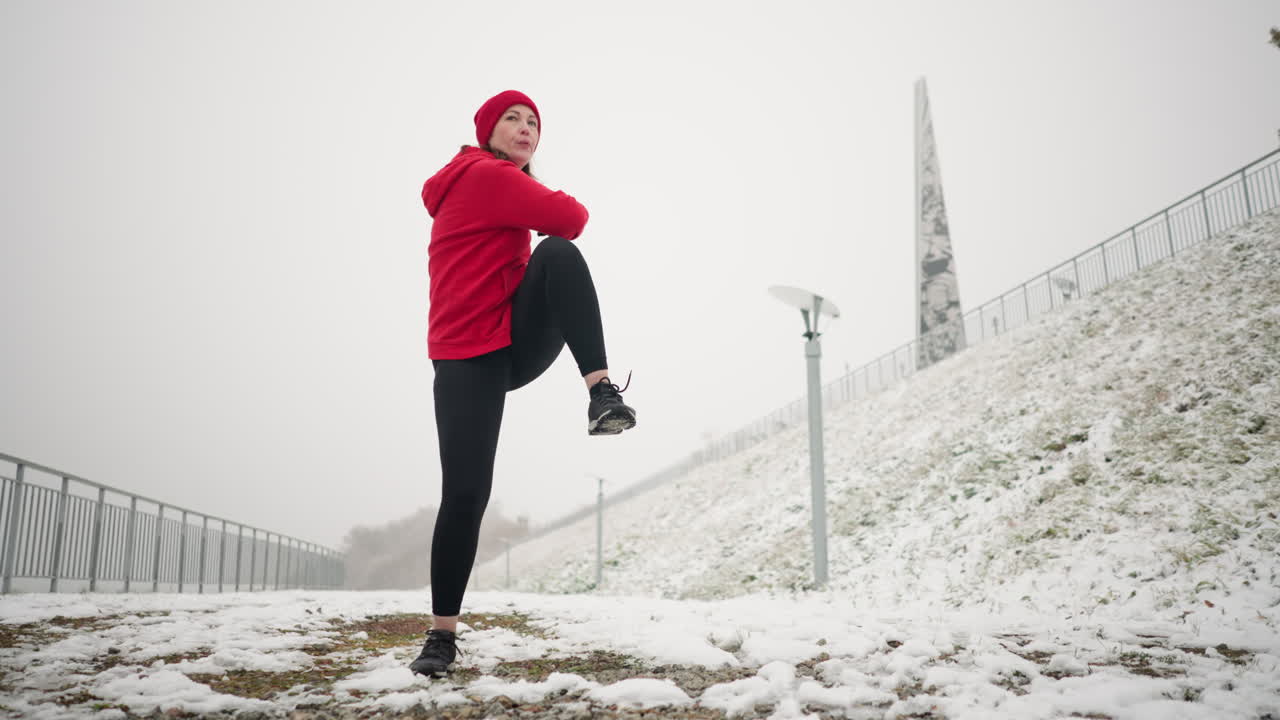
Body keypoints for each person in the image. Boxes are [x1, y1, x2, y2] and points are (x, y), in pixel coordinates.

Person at [408, 90, 636, 678]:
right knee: (465, 495)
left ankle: (601, 391)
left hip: (509, 339)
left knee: (557, 257)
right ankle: (442, 635)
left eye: (534, 122)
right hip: (465, 359)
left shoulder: (493, 180)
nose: (525, 127)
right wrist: (530, 186)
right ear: (486, 130)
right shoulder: (485, 174)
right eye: (513, 118)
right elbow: (572, 215)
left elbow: (564, 234)